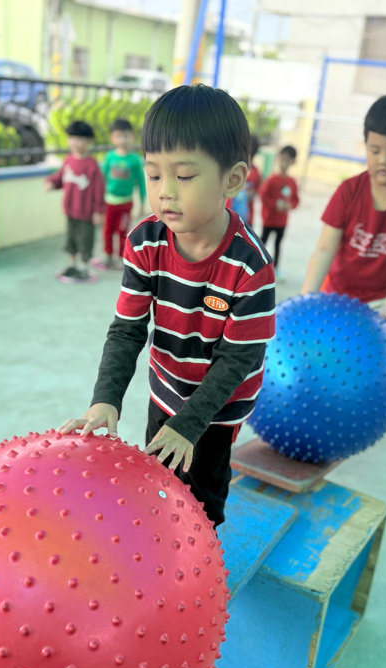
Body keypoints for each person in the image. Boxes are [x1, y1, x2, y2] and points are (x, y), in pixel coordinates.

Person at [59, 84, 276, 529]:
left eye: (185, 176)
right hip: (166, 384)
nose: (165, 192)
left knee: (201, 501)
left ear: (233, 180)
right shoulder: (145, 241)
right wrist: (105, 400)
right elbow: (127, 329)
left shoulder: (251, 266)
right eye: (154, 175)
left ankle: (201, 553)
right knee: (156, 482)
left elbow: (237, 361)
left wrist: (188, 425)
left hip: (219, 406)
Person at [300, 94, 386, 333]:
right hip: (337, 294)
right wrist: (306, 299)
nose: (383, 160)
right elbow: (324, 249)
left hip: (384, 301)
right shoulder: (348, 191)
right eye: (374, 150)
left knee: (375, 353)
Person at [44, 121, 105, 283]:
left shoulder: (92, 165)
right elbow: (60, 177)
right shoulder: (68, 160)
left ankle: (84, 267)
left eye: (80, 139)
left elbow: (99, 190)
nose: (75, 143)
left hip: (86, 213)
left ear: (89, 141)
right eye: (72, 138)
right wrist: (51, 183)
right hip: (70, 210)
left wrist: (98, 211)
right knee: (71, 240)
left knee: (85, 241)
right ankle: (72, 264)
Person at [96, 118, 146, 271]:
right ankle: (108, 255)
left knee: (122, 231)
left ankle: (120, 258)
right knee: (107, 231)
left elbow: (141, 183)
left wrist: (142, 203)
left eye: (126, 135)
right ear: (112, 138)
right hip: (109, 203)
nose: (122, 140)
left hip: (126, 204)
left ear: (133, 137)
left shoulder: (135, 160)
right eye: (118, 136)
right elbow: (101, 181)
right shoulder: (109, 158)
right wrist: (97, 203)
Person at [258, 145, 299, 278]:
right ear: (278, 158)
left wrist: (289, 205)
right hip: (269, 219)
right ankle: (256, 265)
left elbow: (296, 200)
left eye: (288, 160)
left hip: (282, 221)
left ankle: (275, 268)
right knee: (262, 242)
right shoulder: (271, 179)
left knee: (278, 244)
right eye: (283, 159)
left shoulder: (292, 182)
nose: (284, 163)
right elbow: (263, 196)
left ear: (293, 161)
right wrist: (275, 204)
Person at [244, 136, 261, 226]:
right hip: (230, 214)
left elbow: (254, 194)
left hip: (246, 217)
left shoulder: (255, 173)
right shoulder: (232, 168)